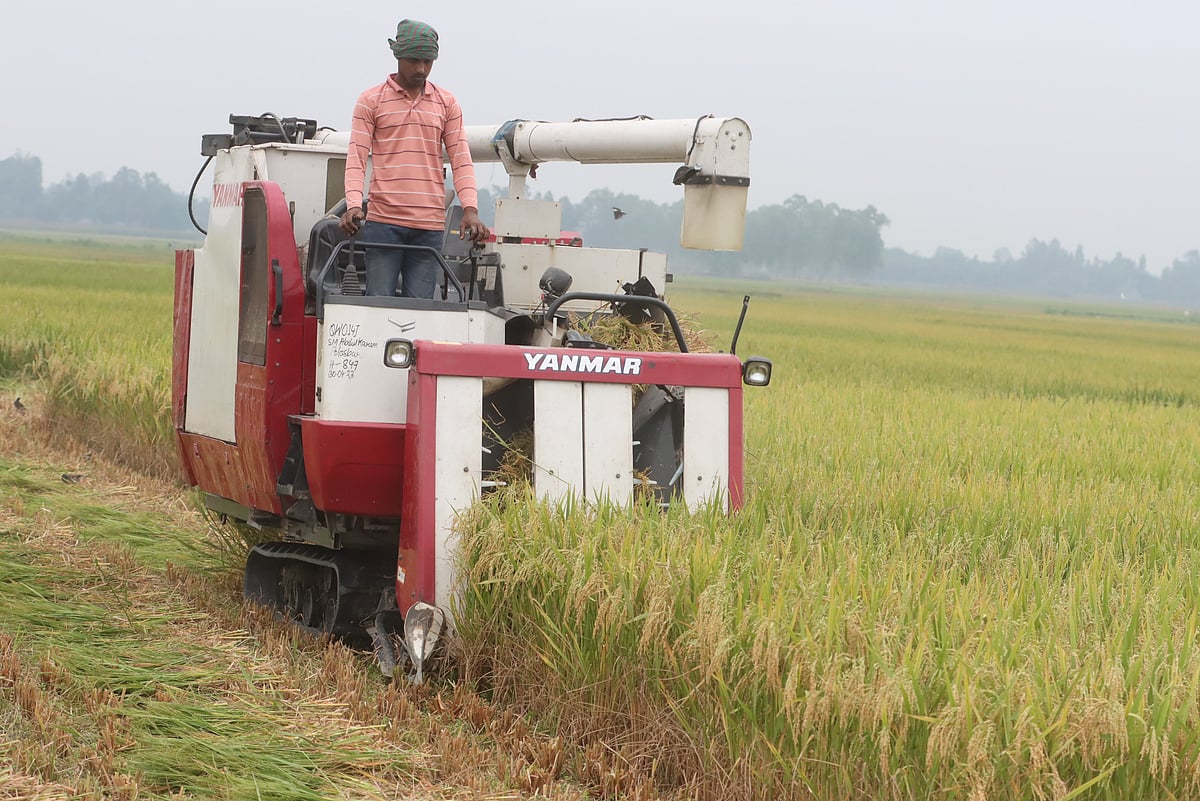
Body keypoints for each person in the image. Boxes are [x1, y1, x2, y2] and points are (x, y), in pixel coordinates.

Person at [341, 19, 486, 298]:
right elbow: (357, 157)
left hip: (429, 224)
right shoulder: (371, 101)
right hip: (384, 222)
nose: (421, 69)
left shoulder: (447, 103)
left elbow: (461, 158)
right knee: (378, 306)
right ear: (397, 56)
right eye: (414, 61)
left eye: (428, 62)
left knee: (421, 313)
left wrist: (470, 208)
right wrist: (353, 204)